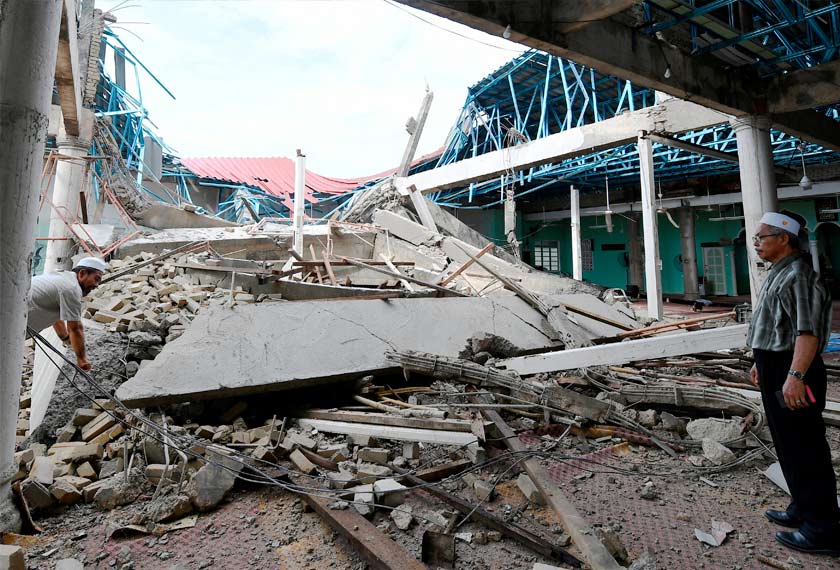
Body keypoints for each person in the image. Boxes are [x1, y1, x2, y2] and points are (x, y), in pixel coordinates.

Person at [747, 211, 840, 556]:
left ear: (783, 238)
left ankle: (823, 530)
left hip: (793, 371)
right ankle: (802, 508)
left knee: (805, 446)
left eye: (761, 237)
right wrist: (760, 363)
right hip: (776, 368)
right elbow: (776, 326)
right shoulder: (779, 272)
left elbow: (807, 333)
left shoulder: (799, 276)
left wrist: (795, 377)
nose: (756, 243)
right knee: (787, 443)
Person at [27, 257, 107, 372]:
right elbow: (75, 328)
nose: (97, 285)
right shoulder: (72, 289)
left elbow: (55, 312)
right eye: (96, 279)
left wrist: (64, 337)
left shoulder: (62, 278)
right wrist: (82, 360)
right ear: (82, 273)